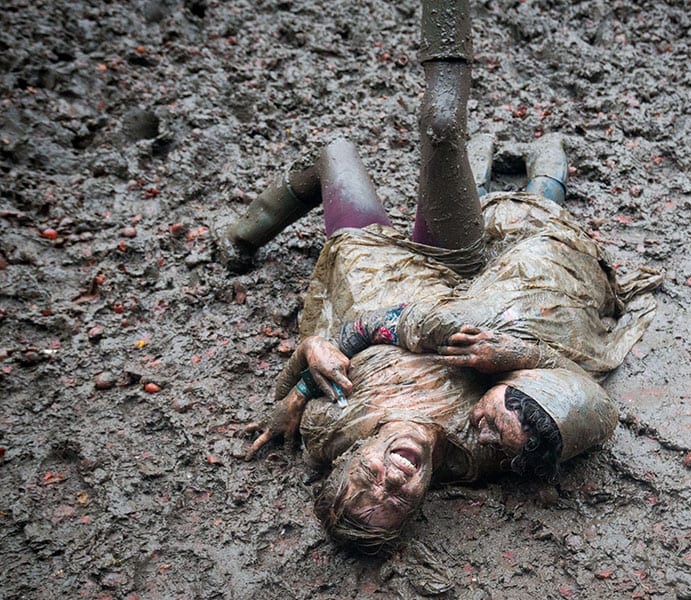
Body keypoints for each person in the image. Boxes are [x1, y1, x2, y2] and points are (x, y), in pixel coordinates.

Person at [228, 0, 661, 548]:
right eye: (398, 500)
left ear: (349, 460)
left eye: (367, 480)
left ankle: (238, 236)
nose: (392, 480)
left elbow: (318, 360)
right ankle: (514, 135)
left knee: (337, 152)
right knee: (450, 138)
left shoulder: (328, 429)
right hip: (451, 267)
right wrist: (515, 356)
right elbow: (573, 391)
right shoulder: (479, 447)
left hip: (365, 268)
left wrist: (306, 365)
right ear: (421, 503)